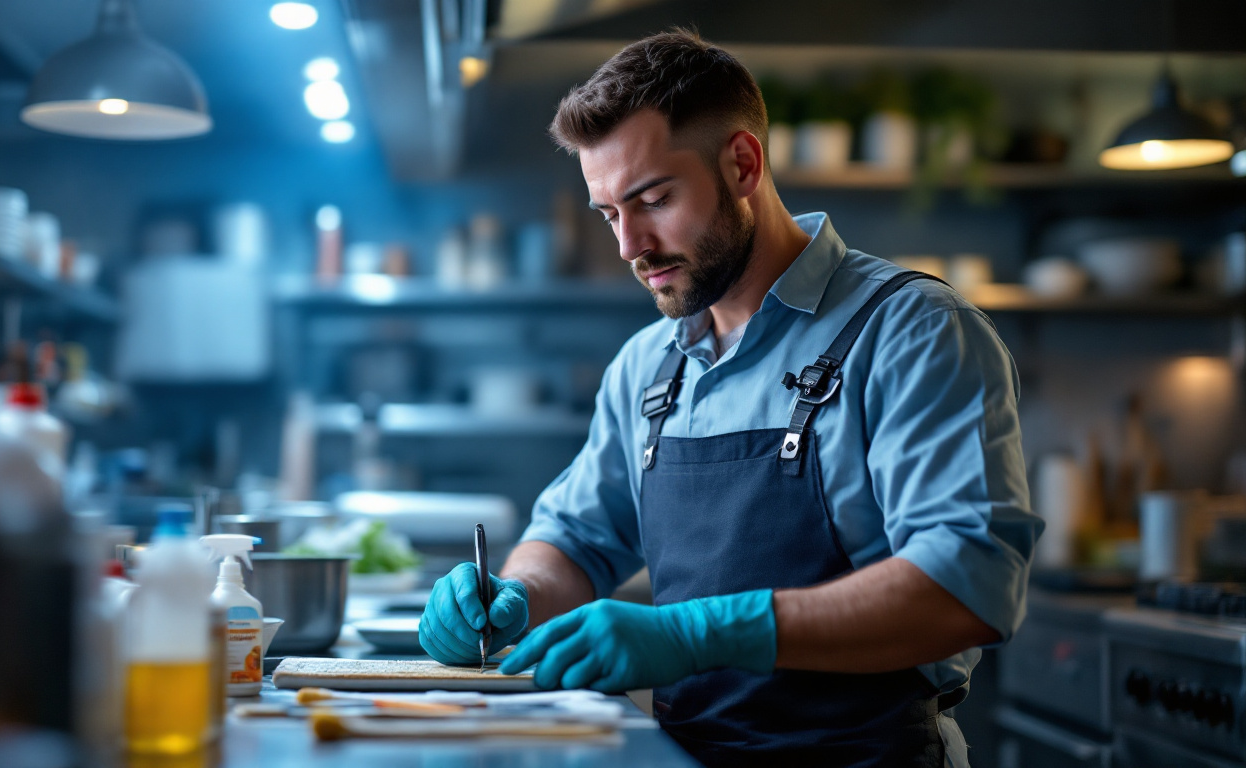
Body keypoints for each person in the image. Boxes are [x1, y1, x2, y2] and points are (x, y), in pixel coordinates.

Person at [418, 29, 1042, 768]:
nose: (629, 246)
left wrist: (696, 634)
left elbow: (966, 584)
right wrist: (514, 596)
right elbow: (577, 539)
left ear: (742, 163)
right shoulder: (648, 365)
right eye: (609, 213)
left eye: (652, 199)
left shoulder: (913, 333)